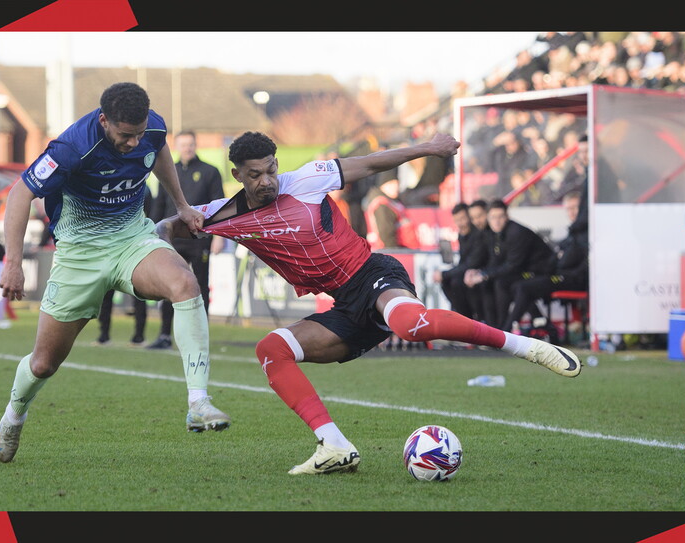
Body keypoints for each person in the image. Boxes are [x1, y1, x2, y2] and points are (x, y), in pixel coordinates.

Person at [156, 131, 581, 476]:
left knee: (411, 325)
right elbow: (175, 222)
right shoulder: (224, 214)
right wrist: (166, 233)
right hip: (345, 305)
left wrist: (428, 148)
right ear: (237, 174)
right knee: (271, 349)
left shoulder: (306, 179)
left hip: (373, 274)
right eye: (255, 175)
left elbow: (371, 163)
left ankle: (526, 346)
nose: (267, 181)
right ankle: (334, 446)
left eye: (271, 170)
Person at [0, 82, 231, 464]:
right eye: (125, 135)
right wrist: (13, 263)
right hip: (80, 255)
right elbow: (20, 193)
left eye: (139, 134)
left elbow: (159, 147)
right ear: (104, 121)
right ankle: (14, 415)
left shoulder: (152, 128)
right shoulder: (72, 147)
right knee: (44, 363)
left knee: (185, 283)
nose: (134, 143)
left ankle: (198, 402)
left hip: (131, 239)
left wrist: (182, 205)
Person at [145, 130, 225, 350]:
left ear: (195, 145)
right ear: (176, 147)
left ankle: (200, 335)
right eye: (183, 145)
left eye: (190, 144)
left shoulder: (210, 172)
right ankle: (164, 335)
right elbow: (159, 204)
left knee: (200, 286)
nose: (187, 148)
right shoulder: (168, 172)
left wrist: (218, 237)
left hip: (200, 239)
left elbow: (219, 206)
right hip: (171, 240)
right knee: (169, 286)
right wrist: (152, 232)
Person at [464, 199, 558, 332]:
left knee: (505, 284)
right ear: (488, 218)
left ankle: (503, 330)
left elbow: (513, 266)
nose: (496, 221)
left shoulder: (516, 232)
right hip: (524, 272)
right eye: (493, 217)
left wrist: (484, 274)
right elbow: (497, 262)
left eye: (500, 217)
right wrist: (479, 272)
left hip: (544, 273)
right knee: (491, 283)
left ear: (507, 217)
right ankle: (494, 328)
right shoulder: (495, 233)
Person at [503, 190, 589, 333]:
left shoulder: (585, 232)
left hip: (573, 279)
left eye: (575, 207)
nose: (572, 212)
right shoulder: (574, 231)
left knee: (523, 287)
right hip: (560, 275)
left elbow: (568, 260)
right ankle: (541, 322)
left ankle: (507, 330)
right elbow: (559, 258)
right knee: (516, 285)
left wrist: (561, 257)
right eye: (568, 208)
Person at [95, 188, 154, 346]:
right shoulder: (142, 189)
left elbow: (150, 216)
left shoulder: (142, 190)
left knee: (138, 293)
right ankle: (106, 335)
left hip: (131, 247)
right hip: (116, 247)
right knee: (109, 293)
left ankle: (136, 335)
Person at [433, 202, 489, 323]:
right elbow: (463, 262)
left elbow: (473, 263)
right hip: (467, 271)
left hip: (480, 272)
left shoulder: (479, 235)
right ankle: (463, 318)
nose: (461, 223)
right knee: (447, 282)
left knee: (456, 282)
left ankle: (469, 320)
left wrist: (444, 274)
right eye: (457, 220)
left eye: (463, 218)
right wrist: (445, 275)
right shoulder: (461, 235)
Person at [364, 176, 418, 250]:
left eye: (397, 183)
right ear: (382, 185)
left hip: (405, 249)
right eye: (391, 183)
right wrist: (394, 253)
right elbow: (386, 234)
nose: (396, 187)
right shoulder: (382, 205)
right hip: (389, 251)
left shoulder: (394, 202)